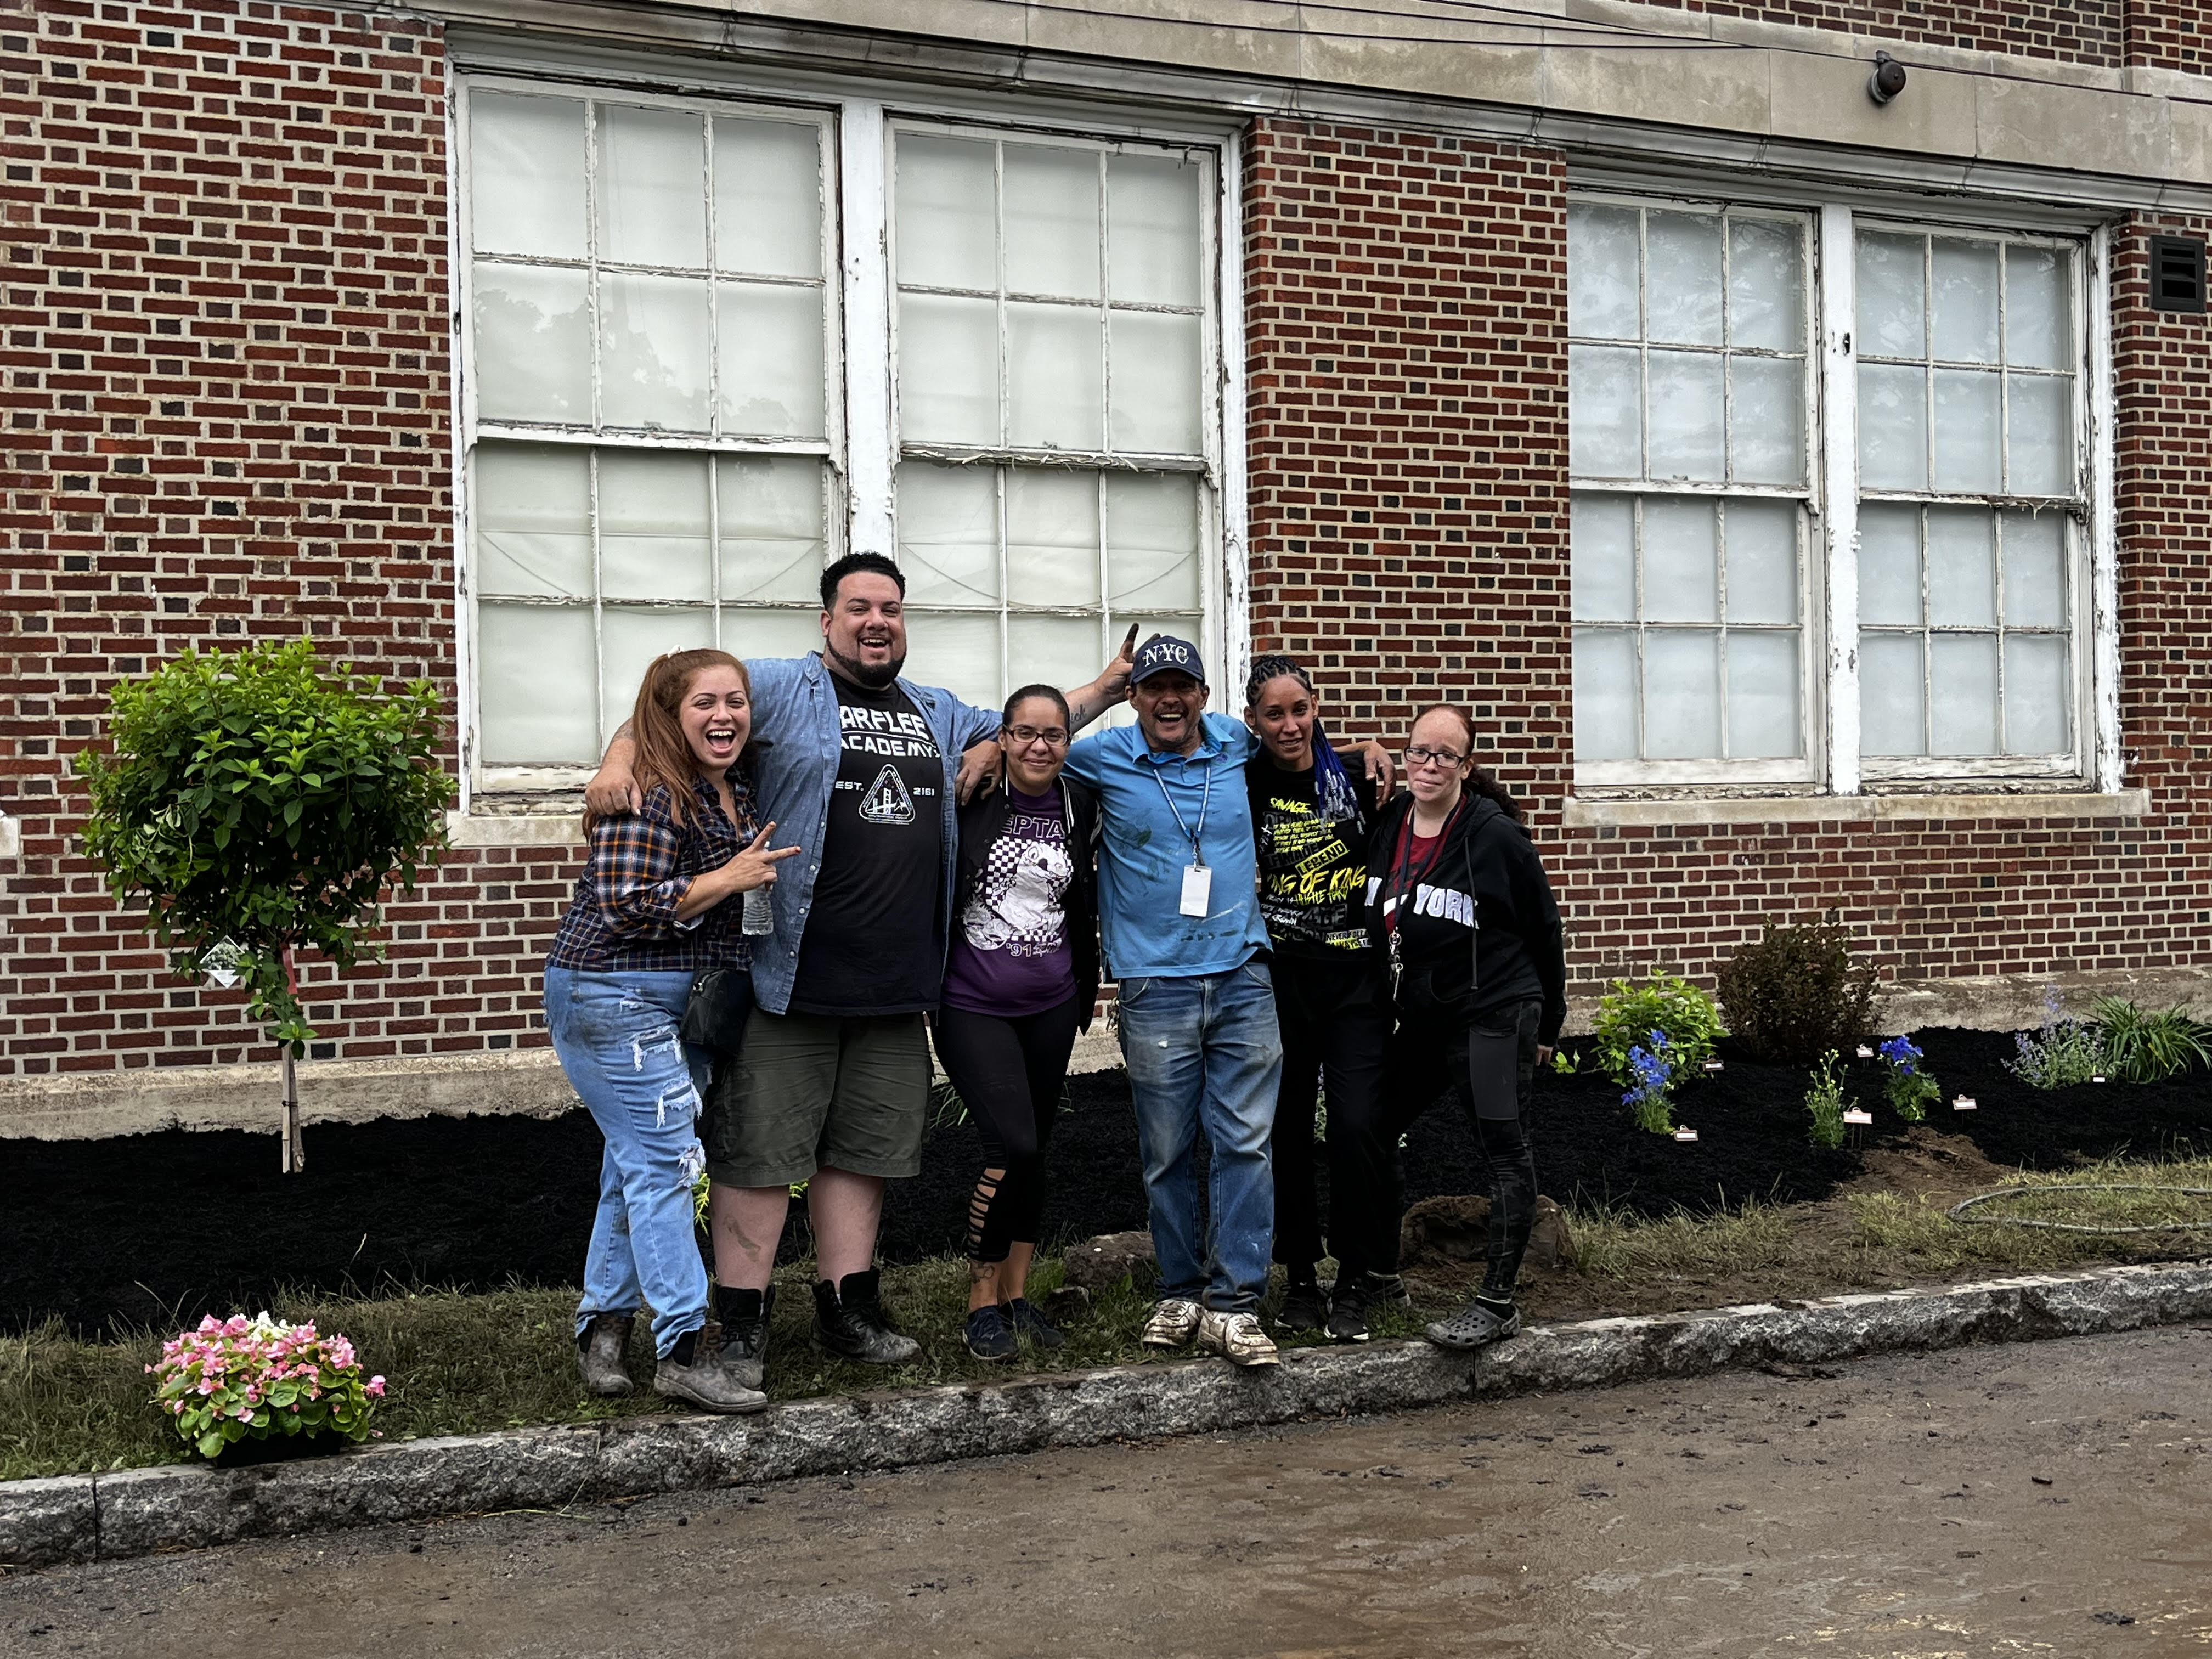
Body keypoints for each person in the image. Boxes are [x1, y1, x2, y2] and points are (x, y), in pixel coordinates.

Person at [583, 554, 1129, 1383]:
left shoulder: (936, 710)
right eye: (860, 608)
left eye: (892, 609)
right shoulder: (777, 687)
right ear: (827, 620)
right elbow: (670, 703)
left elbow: (1035, 724)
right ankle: (741, 1324)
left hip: (897, 987)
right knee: (760, 1157)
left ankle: (849, 1309)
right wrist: (619, 763)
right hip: (789, 977)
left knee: (863, 1156)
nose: (878, 622)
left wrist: (1106, 690)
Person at [1064, 636, 1391, 1368]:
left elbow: (1297, 737)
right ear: (1136, 697)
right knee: (1167, 1151)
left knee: (1246, 1143)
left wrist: (1363, 747)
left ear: (1205, 697)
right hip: (1154, 985)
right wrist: (1100, 689)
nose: (1170, 700)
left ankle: (1235, 1304)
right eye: (1154, 688)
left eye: (1183, 687)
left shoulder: (1234, 745)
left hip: (1244, 976)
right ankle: (1180, 1290)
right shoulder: (1103, 757)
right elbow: (1037, 736)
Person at [545, 650, 798, 1412]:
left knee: (634, 1165)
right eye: (704, 703)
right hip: (611, 994)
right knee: (665, 1165)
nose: (725, 715)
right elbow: (625, 902)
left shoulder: (733, 783)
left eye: (736, 701)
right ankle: (686, 1348)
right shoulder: (649, 791)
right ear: (670, 715)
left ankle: (603, 1327)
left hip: (684, 1003)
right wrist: (730, 878)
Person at [1363, 704, 1566, 1351]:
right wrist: (1362, 749)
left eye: (1445, 755)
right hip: (1426, 1018)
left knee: (1504, 1149)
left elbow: (1544, 927)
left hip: (1495, 1012)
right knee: (1371, 1125)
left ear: (1466, 766)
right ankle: (1379, 1276)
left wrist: (1550, 1023)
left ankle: (1497, 1302)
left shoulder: (1494, 836)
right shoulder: (1390, 821)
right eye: (1418, 751)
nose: (1428, 765)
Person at [936, 685, 1101, 1360]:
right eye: (1025, 733)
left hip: (1052, 1002)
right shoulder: (969, 796)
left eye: (1053, 735)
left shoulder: (1079, 801)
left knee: (1038, 1148)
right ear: (1002, 738)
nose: (1039, 746)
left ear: (1067, 743)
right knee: (1012, 1145)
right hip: (972, 1003)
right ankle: (980, 1301)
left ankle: (1016, 1294)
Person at [1242, 654, 1397, 1344]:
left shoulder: (1359, 777)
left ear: (1316, 708)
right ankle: (1301, 1276)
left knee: (1359, 1127)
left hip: (1357, 986)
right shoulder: (1243, 780)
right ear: (1253, 720)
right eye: (1274, 714)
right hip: (1281, 985)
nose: (1290, 725)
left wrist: (1371, 747)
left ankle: (1357, 1277)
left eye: (1299, 710)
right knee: (1286, 1132)